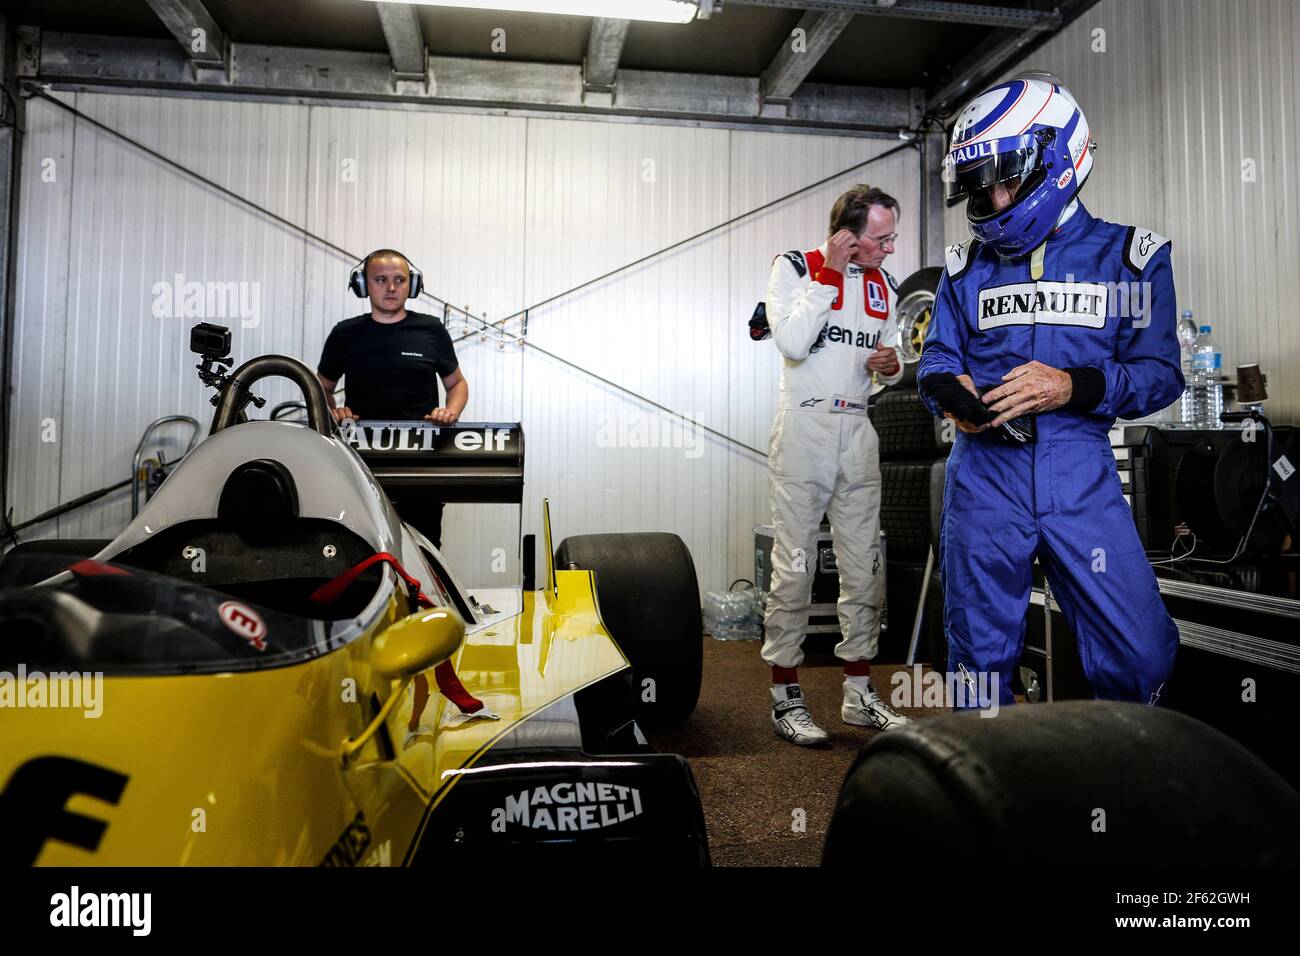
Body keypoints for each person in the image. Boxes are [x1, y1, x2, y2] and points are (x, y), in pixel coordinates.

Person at [918, 72, 1182, 709]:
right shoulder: (964, 269)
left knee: (1142, 652)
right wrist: (955, 397)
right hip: (983, 479)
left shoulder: (1130, 258)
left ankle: (1124, 793)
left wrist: (1070, 386)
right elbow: (935, 363)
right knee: (978, 667)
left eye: (1007, 178)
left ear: (1059, 156)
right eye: (983, 186)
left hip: (1080, 477)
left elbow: (1160, 375)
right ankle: (989, 797)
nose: (996, 198)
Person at [761, 184, 914, 746]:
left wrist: (892, 366)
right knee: (796, 569)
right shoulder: (794, 266)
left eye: (892, 235)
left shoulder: (886, 285)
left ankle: (857, 694)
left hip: (858, 430)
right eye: (881, 237)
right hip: (804, 427)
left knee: (864, 569)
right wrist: (828, 271)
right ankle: (786, 697)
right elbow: (794, 342)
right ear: (848, 233)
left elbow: (887, 364)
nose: (890, 248)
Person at [317, 249, 468, 548]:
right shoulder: (345, 334)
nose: (391, 287)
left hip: (421, 462)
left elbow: (458, 384)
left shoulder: (431, 330)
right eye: (381, 279)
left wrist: (450, 412)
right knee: (364, 549)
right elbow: (321, 387)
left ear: (411, 285)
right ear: (363, 285)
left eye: (399, 280)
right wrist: (334, 411)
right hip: (362, 464)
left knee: (424, 550)